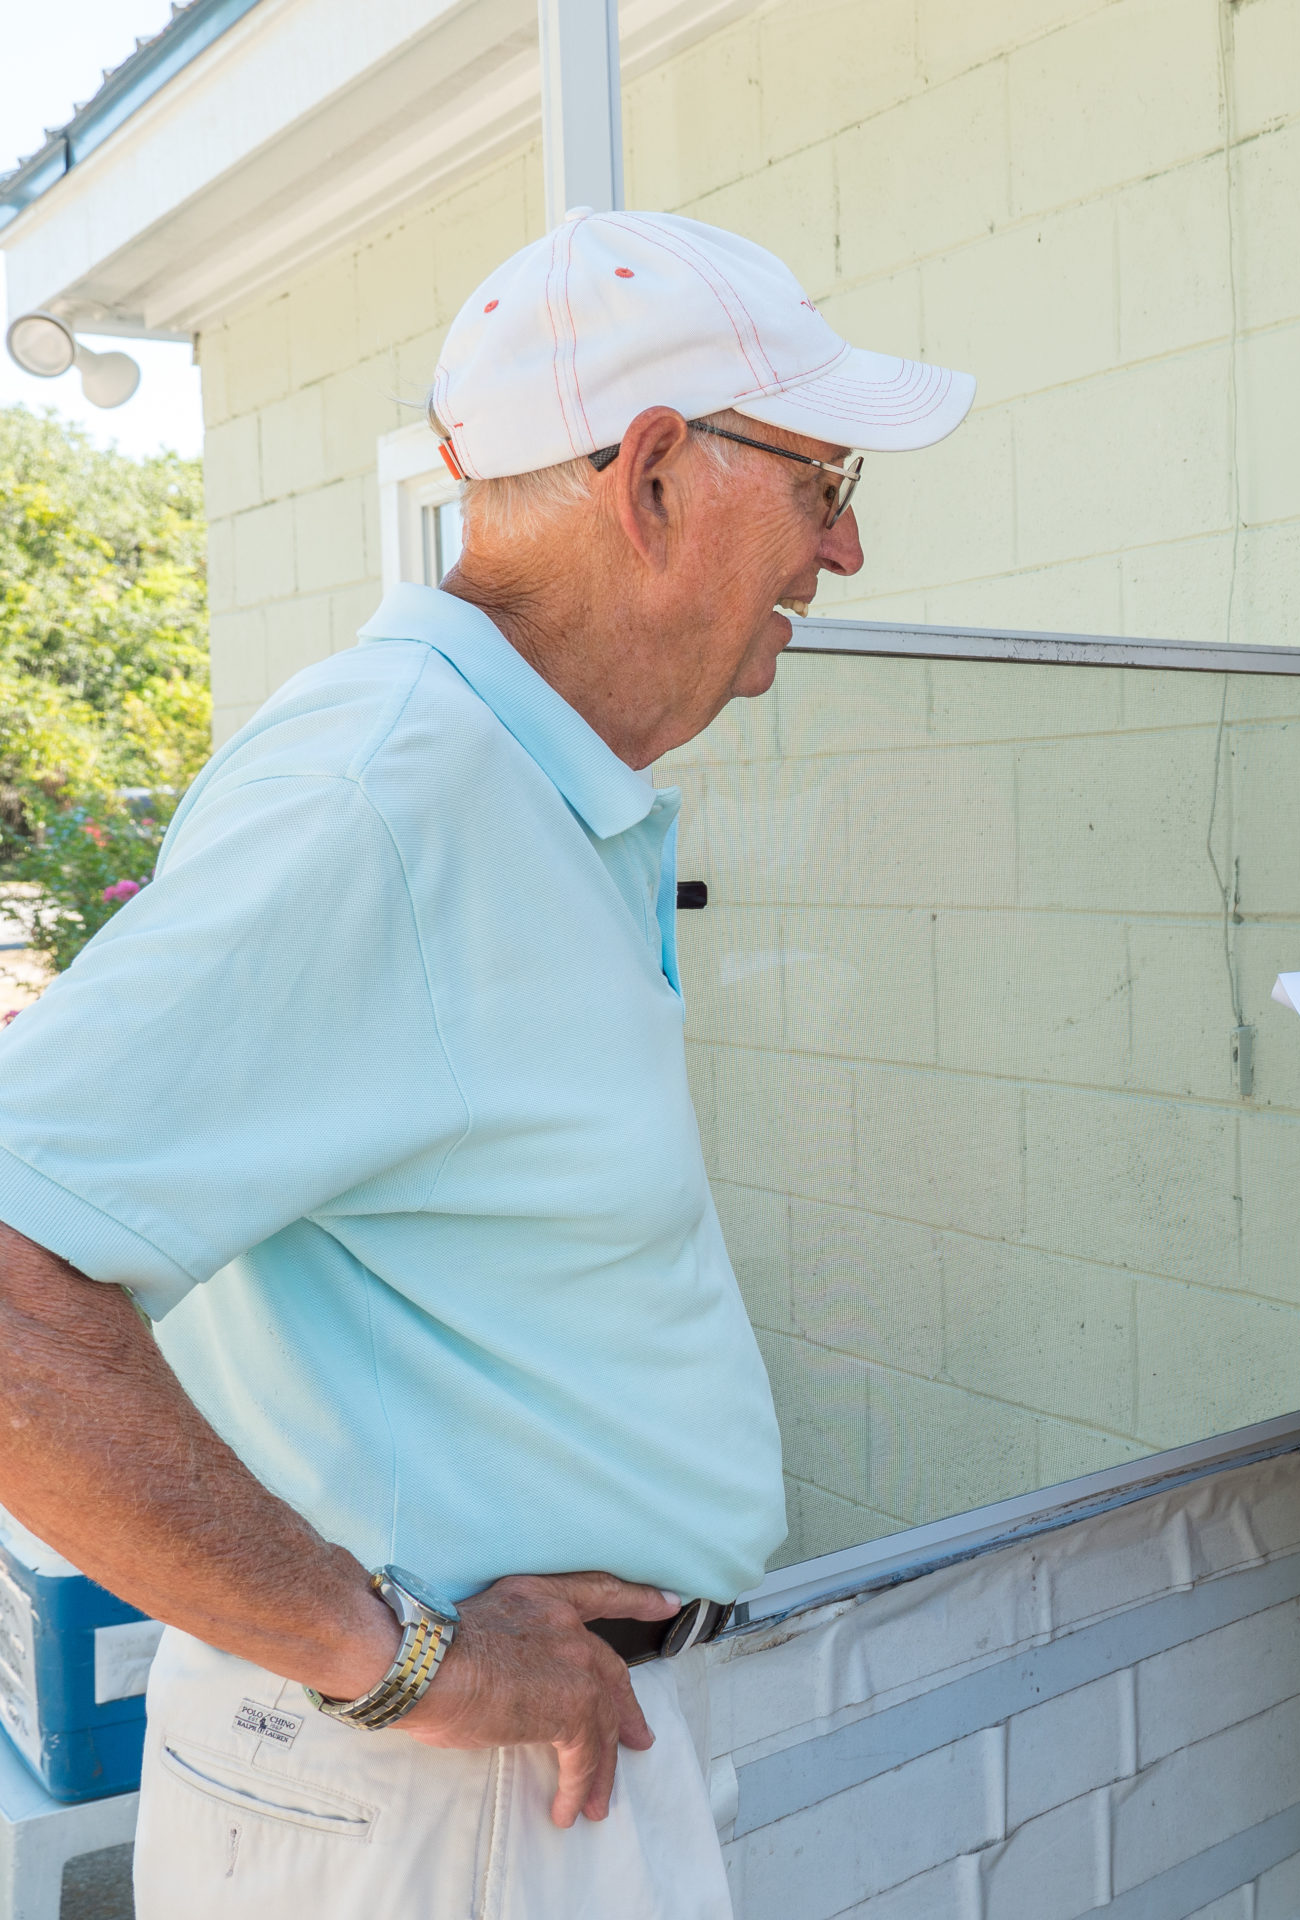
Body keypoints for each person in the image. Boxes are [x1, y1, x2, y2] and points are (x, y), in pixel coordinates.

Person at [0, 210, 972, 1916]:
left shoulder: (510, 779)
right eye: (825, 486)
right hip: (432, 1792)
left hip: (515, 1764)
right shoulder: (398, 793)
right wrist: (395, 1657)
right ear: (656, 475)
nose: (844, 552)